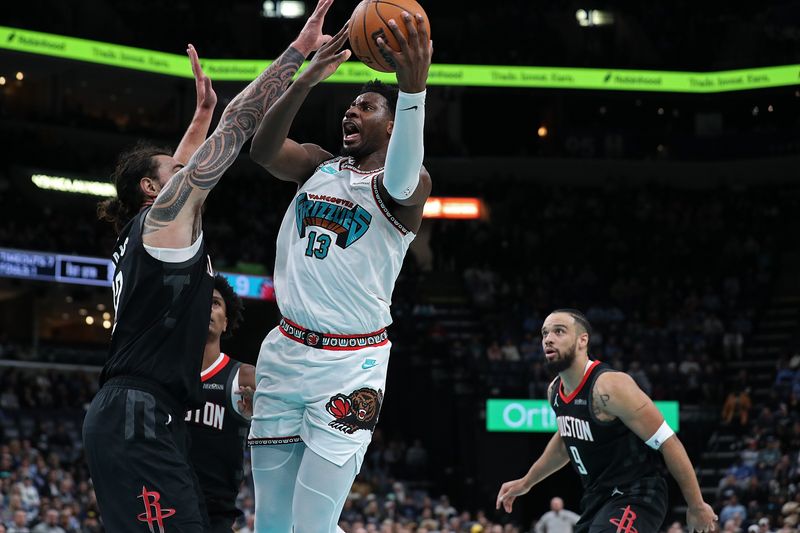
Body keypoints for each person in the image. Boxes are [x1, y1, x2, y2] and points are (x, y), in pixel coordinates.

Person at [82, 1, 337, 530]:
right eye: (175, 170)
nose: (189, 169)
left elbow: (188, 164)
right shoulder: (162, 222)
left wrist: (197, 120)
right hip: (138, 416)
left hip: (140, 414)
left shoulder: (149, 231)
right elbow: (239, 126)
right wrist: (296, 55)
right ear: (155, 189)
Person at [246, 8, 433, 532]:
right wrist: (304, 80)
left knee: (312, 525)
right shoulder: (318, 164)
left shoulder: (408, 186)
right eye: (350, 105)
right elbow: (262, 150)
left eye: (367, 106)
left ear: (393, 124)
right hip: (284, 351)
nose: (351, 112)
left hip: (351, 367)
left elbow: (398, 179)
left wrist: (413, 89)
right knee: (271, 524)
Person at [496, 309, 718, 533]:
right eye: (544, 333)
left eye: (559, 331)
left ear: (583, 340)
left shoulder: (609, 387)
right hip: (598, 499)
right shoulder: (554, 390)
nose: (548, 339)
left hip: (637, 493)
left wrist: (697, 505)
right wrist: (526, 482)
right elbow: (566, 441)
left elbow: (669, 442)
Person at [185, 274, 254, 532]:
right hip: (166, 502)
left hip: (213, 513)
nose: (207, 308)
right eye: (200, 301)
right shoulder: (165, 374)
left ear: (226, 321)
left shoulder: (244, 376)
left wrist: (260, 418)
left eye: (215, 303)